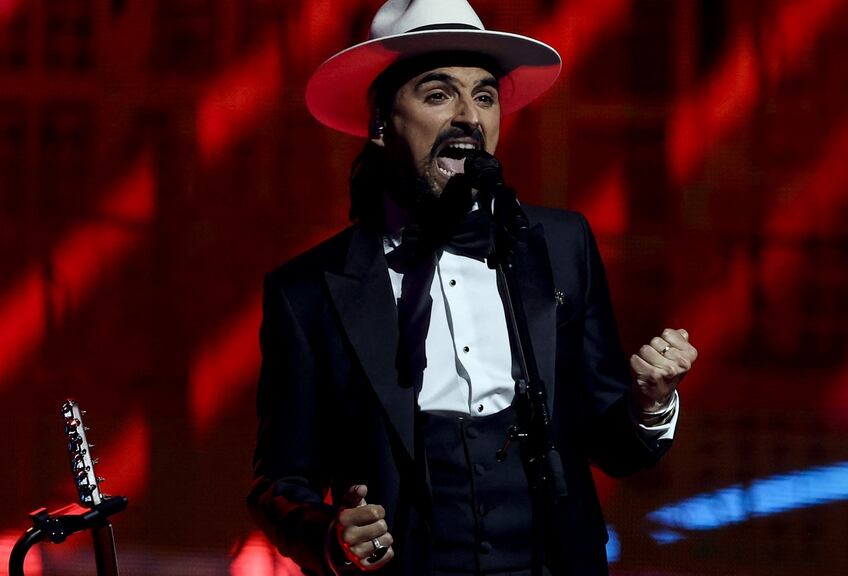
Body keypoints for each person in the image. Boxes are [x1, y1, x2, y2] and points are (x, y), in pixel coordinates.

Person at [246, 1, 698, 575]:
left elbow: (612, 443)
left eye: (484, 97)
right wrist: (333, 538)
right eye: (439, 95)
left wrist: (649, 402)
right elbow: (279, 482)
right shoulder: (308, 292)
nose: (469, 118)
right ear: (383, 123)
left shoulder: (559, 247)